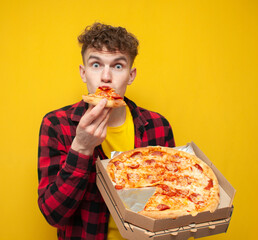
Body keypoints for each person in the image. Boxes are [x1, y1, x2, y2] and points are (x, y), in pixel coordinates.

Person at [37, 22, 175, 240]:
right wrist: (81, 147)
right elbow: (54, 214)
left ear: (131, 75)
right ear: (83, 73)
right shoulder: (57, 124)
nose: (106, 77)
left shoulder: (158, 126)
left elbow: (170, 201)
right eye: (96, 65)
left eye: (118, 66)